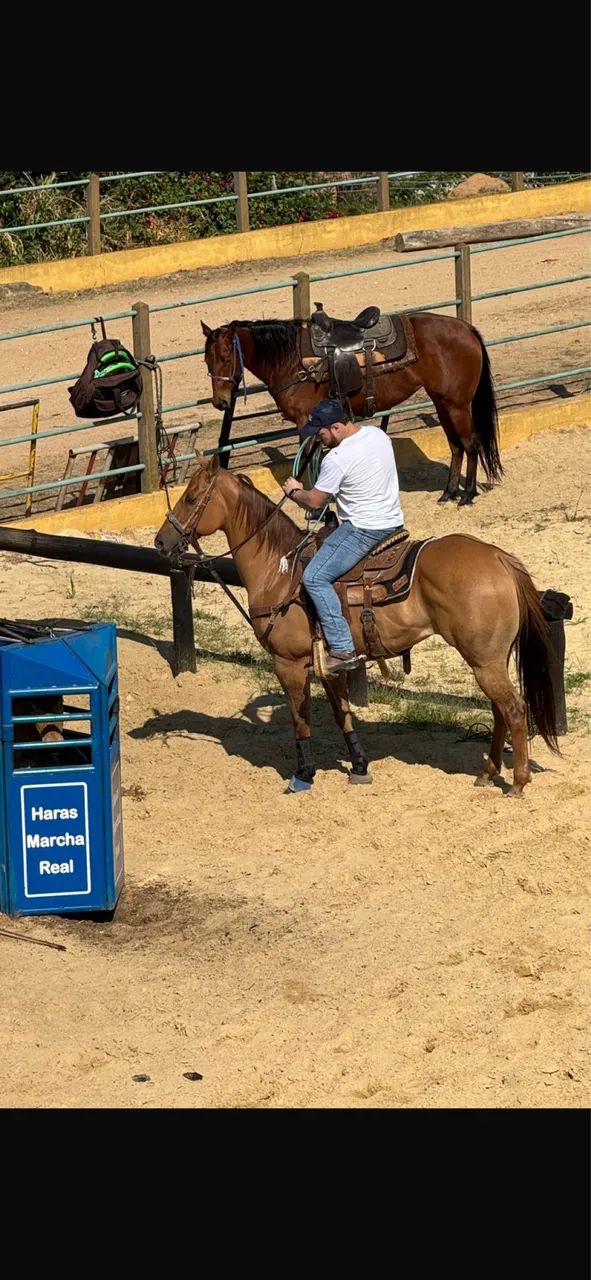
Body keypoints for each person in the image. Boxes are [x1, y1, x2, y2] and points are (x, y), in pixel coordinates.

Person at [282, 399, 404, 673]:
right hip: (393, 519)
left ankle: (342, 648)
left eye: (321, 432)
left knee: (314, 577)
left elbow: (314, 502)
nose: (318, 437)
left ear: (336, 427)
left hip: (363, 528)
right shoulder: (377, 434)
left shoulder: (337, 459)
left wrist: (293, 491)